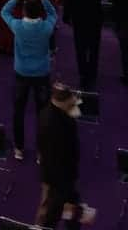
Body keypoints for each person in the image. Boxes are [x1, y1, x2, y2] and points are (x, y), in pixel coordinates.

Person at [1, 0, 59, 160]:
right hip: (42, 74)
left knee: (19, 111)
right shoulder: (46, 27)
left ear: (24, 11)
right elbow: (53, 14)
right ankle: (41, 152)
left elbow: (5, 12)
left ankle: (19, 148)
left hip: (21, 74)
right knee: (43, 114)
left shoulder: (18, 26)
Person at [36, 84, 93, 228]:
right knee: (52, 214)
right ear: (63, 101)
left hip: (67, 174)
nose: (74, 102)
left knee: (71, 202)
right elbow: (48, 157)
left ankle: (73, 222)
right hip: (58, 178)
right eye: (71, 100)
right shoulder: (50, 124)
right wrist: (47, 186)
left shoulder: (60, 111)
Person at [63, 0, 105, 90]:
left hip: (79, 18)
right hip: (95, 17)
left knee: (80, 48)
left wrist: (66, 17)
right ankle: (92, 73)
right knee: (94, 47)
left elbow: (68, 0)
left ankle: (83, 73)